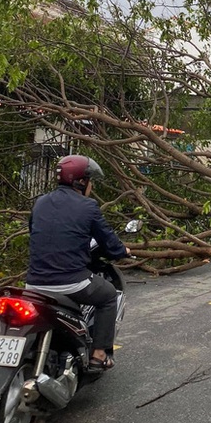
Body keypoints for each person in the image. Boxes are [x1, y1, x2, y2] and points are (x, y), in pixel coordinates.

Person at [25, 154, 130, 371]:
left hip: (33, 284)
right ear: (81, 182)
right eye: (90, 181)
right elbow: (109, 244)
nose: (91, 185)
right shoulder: (88, 206)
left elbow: (34, 232)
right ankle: (99, 354)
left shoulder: (40, 202)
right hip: (70, 283)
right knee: (109, 295)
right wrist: (123, 251)